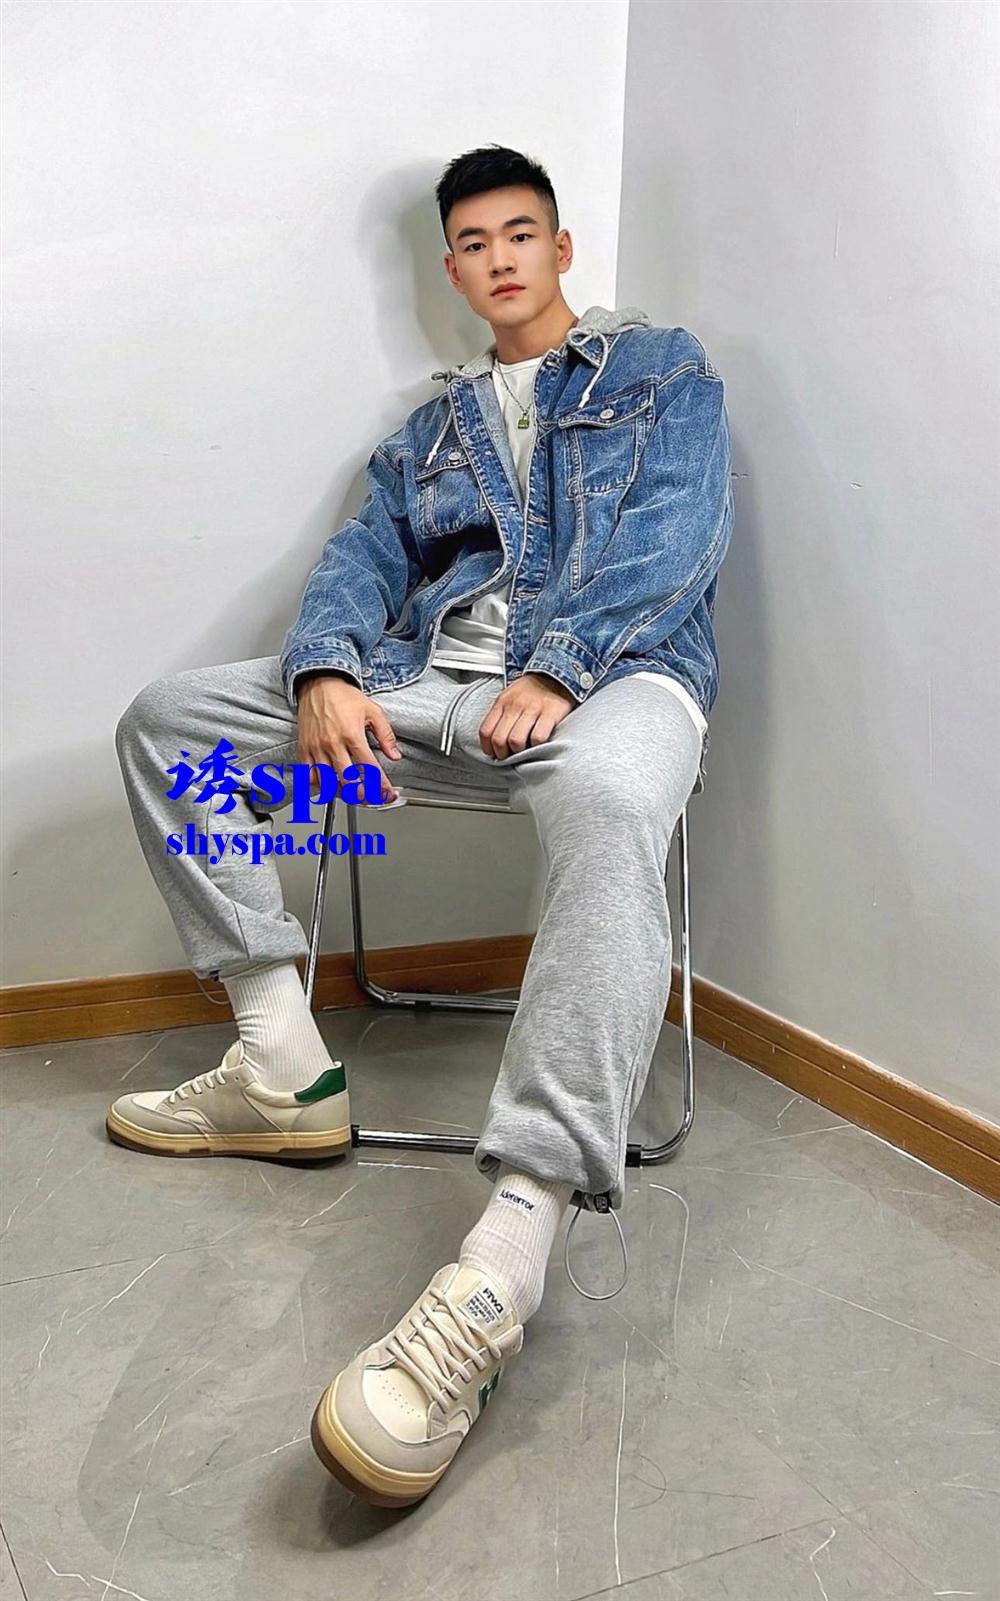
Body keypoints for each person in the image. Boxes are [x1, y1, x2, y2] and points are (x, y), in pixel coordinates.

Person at [110, 143, 734, 1506]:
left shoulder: (660, 371)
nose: (500, 257)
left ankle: (508, 1256)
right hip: (428, 693)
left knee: (612, 803)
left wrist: (560, 666)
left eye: (522, 232)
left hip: (615, 686)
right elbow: (363, 556)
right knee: (173, 728)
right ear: (451, 269)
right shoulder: (430, 430)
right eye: (473, 242)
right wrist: (326, 669)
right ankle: (283, 1066)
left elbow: (679, 537)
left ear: (561, 248)